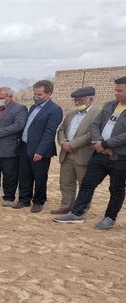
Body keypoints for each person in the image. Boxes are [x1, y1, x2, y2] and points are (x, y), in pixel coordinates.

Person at [53, 76, 126, 230]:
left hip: (120, 157)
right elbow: (95, 125)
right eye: (115, 90)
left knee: (116, 189)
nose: (115, 93)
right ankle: (77, 213)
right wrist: (99, 143)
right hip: (99, 153)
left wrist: (105, 144)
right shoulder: (110, 105)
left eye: (119, 90)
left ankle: (109, 218)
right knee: (87, 184)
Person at [14, 80, 63, 213]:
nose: (36, 96)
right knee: (24, 175)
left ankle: (39, 201)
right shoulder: (33, 107)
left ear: (49, 94)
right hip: (25, 146)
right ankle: (24, 199)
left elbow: (49, 133)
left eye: (39, 94)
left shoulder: (55, 110)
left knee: (39, 177)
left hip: (40, 150)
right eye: (35, 93)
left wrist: (40, 151)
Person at [51, 86, 101, 214]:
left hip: (83, 155)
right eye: (76, 100)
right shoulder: (71, 114)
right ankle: (67, 205)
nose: (78, 102)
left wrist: (73, 144)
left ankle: (81, 209)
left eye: (81, 100)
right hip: (67, 154)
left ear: (91, 99)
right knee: (66, 182)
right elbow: (61, 129)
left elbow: (92, 133)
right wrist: (63, 143)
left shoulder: (98, 113)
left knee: (84, 185)